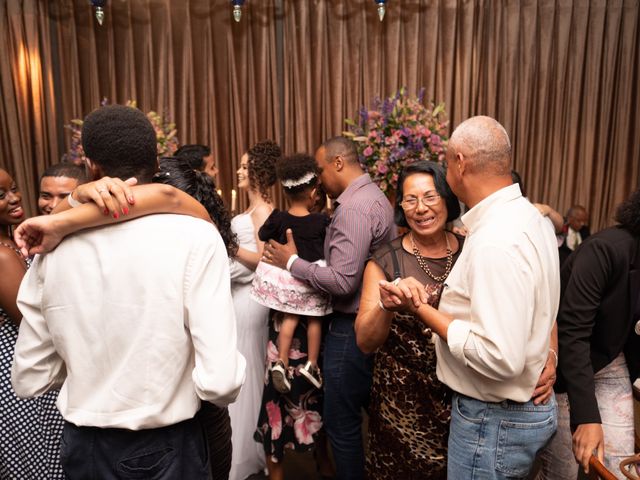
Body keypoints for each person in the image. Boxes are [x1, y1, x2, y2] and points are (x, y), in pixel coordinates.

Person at [11, 104, 246, 479]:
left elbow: (30, 376)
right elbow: (220, 382)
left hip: (82, 449)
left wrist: (92, 375)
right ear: (156, 161)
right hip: (167, 447)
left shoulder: (51, 249)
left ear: (92, 167)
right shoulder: (194, 236)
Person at [380, 116, 560, 479]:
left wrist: (419, 309)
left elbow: (499, 356)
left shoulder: (496, 241)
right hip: (516, 412)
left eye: (446, 164)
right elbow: (539, 307)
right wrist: (548, 351)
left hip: (493, 420)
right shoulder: (531, 219)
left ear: (460, 163)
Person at [263, 136, 396, 480]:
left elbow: (342, 282)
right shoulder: (374, 196)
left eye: (320, 170)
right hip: (370, 323)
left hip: (350, 328)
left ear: (338, 163)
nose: (318, 180)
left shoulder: (352, 209)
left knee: (342, 425)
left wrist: (292, 262)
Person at [355, 160, 463, 479]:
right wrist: (386, 307)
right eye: (410, 199)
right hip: (400, 406)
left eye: (430, 196)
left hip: (461, 398)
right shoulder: (386, 260)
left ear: (447, 197)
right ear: (401, 206)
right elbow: (364, 340)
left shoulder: (471, 252)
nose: (421, 208)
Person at [537, 189, 640, 479]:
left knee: (621, 467)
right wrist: (587, 418)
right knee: (564, 472)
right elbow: (572, 333)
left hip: (611, 359)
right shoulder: (605, 250)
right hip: (566, 363)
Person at [251, 153, 331, 480]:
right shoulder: (324, 222)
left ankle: (281, 363)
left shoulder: (281, 217)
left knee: (287, 322)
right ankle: (311, 365)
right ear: (314, 192)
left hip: (284, 295)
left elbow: (263, 234)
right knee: (313, 320)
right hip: (313, 288)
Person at [0, 169, 65, 479]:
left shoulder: (12, 242)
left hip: (29, 358)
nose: (14, 198)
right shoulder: (1, 256)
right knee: (38, 460)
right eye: (1, 195)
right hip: (20, 364)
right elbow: (33, 321)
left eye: (13, 188)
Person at [228, 139, 280, 480]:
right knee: (238, 368)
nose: (239, 171)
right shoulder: (250, 211)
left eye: (246, 167)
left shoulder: (263, 211)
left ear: (259, 172)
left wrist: (229, 246)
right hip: (237, 296)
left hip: (250, 300)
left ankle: (245, 456)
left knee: (245, 371)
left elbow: (265, 260)